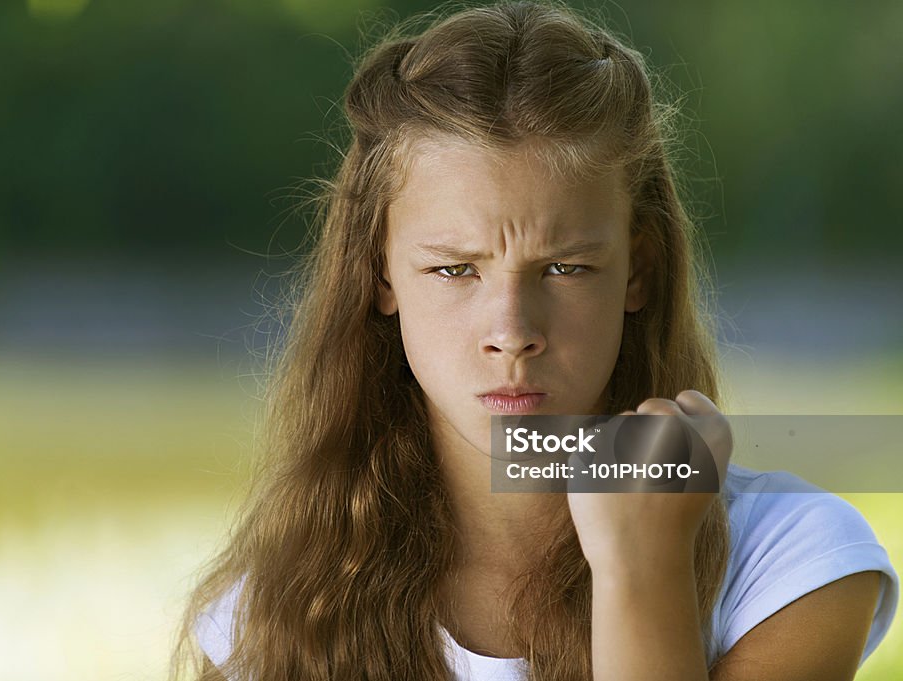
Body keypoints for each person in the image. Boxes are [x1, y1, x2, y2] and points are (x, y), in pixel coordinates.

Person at [170, 1, 898, 679]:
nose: (512, 332)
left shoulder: (796, 563)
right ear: (379, 275)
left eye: (566, 267)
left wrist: (639, 563)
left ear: (638, 271)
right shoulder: (264, 617)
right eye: (455, 269)